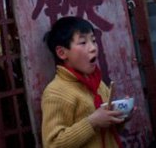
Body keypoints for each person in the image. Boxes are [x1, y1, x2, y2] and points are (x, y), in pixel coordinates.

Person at [41, 16, 125, 148]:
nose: (93, 48)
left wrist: (121, 116)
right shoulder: (56, 92)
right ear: (62, 53)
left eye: (93, 40)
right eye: (83, 42)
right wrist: (92, 122)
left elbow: (108, 132)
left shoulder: (99, 84)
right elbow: (53, 144)